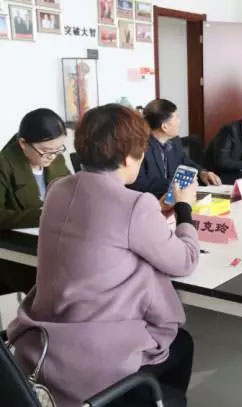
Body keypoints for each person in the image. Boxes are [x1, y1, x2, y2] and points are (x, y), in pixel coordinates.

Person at [7, 104, 200, 407]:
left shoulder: (58, 190)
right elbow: (185, 261)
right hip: (94, 355)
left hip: (42, 341)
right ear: (126, 158)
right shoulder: (136, 205)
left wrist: (153, 213)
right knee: (182, 343)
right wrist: (185, 208)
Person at [0, 108, 70, 295]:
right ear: (23, 144)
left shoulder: (56, 159)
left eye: (58, 149)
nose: (52, 156)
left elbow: (70, 192)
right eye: (46, 151)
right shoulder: (4, 165)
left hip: (54, 241)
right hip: (15, 254)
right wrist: (43, 215)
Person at [129, 99, 221, 198]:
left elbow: (184, 162)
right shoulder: (139, 147)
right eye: (176, 118)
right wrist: (176, 184)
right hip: (152, 201)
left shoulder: (174, 141)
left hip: (175, 198)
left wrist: (202, 173)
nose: (179, 121)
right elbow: (139, 184)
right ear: (164, 127)